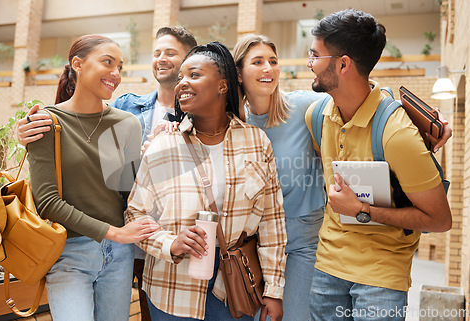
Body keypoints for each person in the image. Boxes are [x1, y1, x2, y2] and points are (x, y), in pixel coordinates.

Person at [17, 26, 197, 321]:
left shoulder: (126, 123)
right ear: (78, 64)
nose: (115, 72)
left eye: (120, 66)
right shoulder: (46, 121)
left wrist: (158, 154)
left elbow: (129, 193)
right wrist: (115, 232)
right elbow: (47, 202)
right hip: (69, 254)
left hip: (120, 255)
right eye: (107, 62)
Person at [303, 10, 452, 321]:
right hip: (327, 267)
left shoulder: (397, 133)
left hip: (381, 278)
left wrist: (363, 210)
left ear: (343, 64)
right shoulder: (316, 116)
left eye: (315, 55)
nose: (309, 63)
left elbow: (439, 220)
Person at [124, 42, 287, 321]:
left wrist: (274, 290)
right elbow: (134, 214)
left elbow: (272, 222)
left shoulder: (256, 142)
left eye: (194, 75)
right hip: (171, 289)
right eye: (180, 78)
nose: (182, 84)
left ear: (223, 86)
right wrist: (170, 242)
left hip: (234, 287)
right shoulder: (162, 145)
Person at [233, 34, 326, 321]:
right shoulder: (235, 124)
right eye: (258, 62)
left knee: (295, 316)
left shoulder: (306, 107)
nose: (269, 69)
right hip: (254, 241)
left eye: (273, 61)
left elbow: (361, 98)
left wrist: (424, 121)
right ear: (238, 72)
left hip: (302, 239)